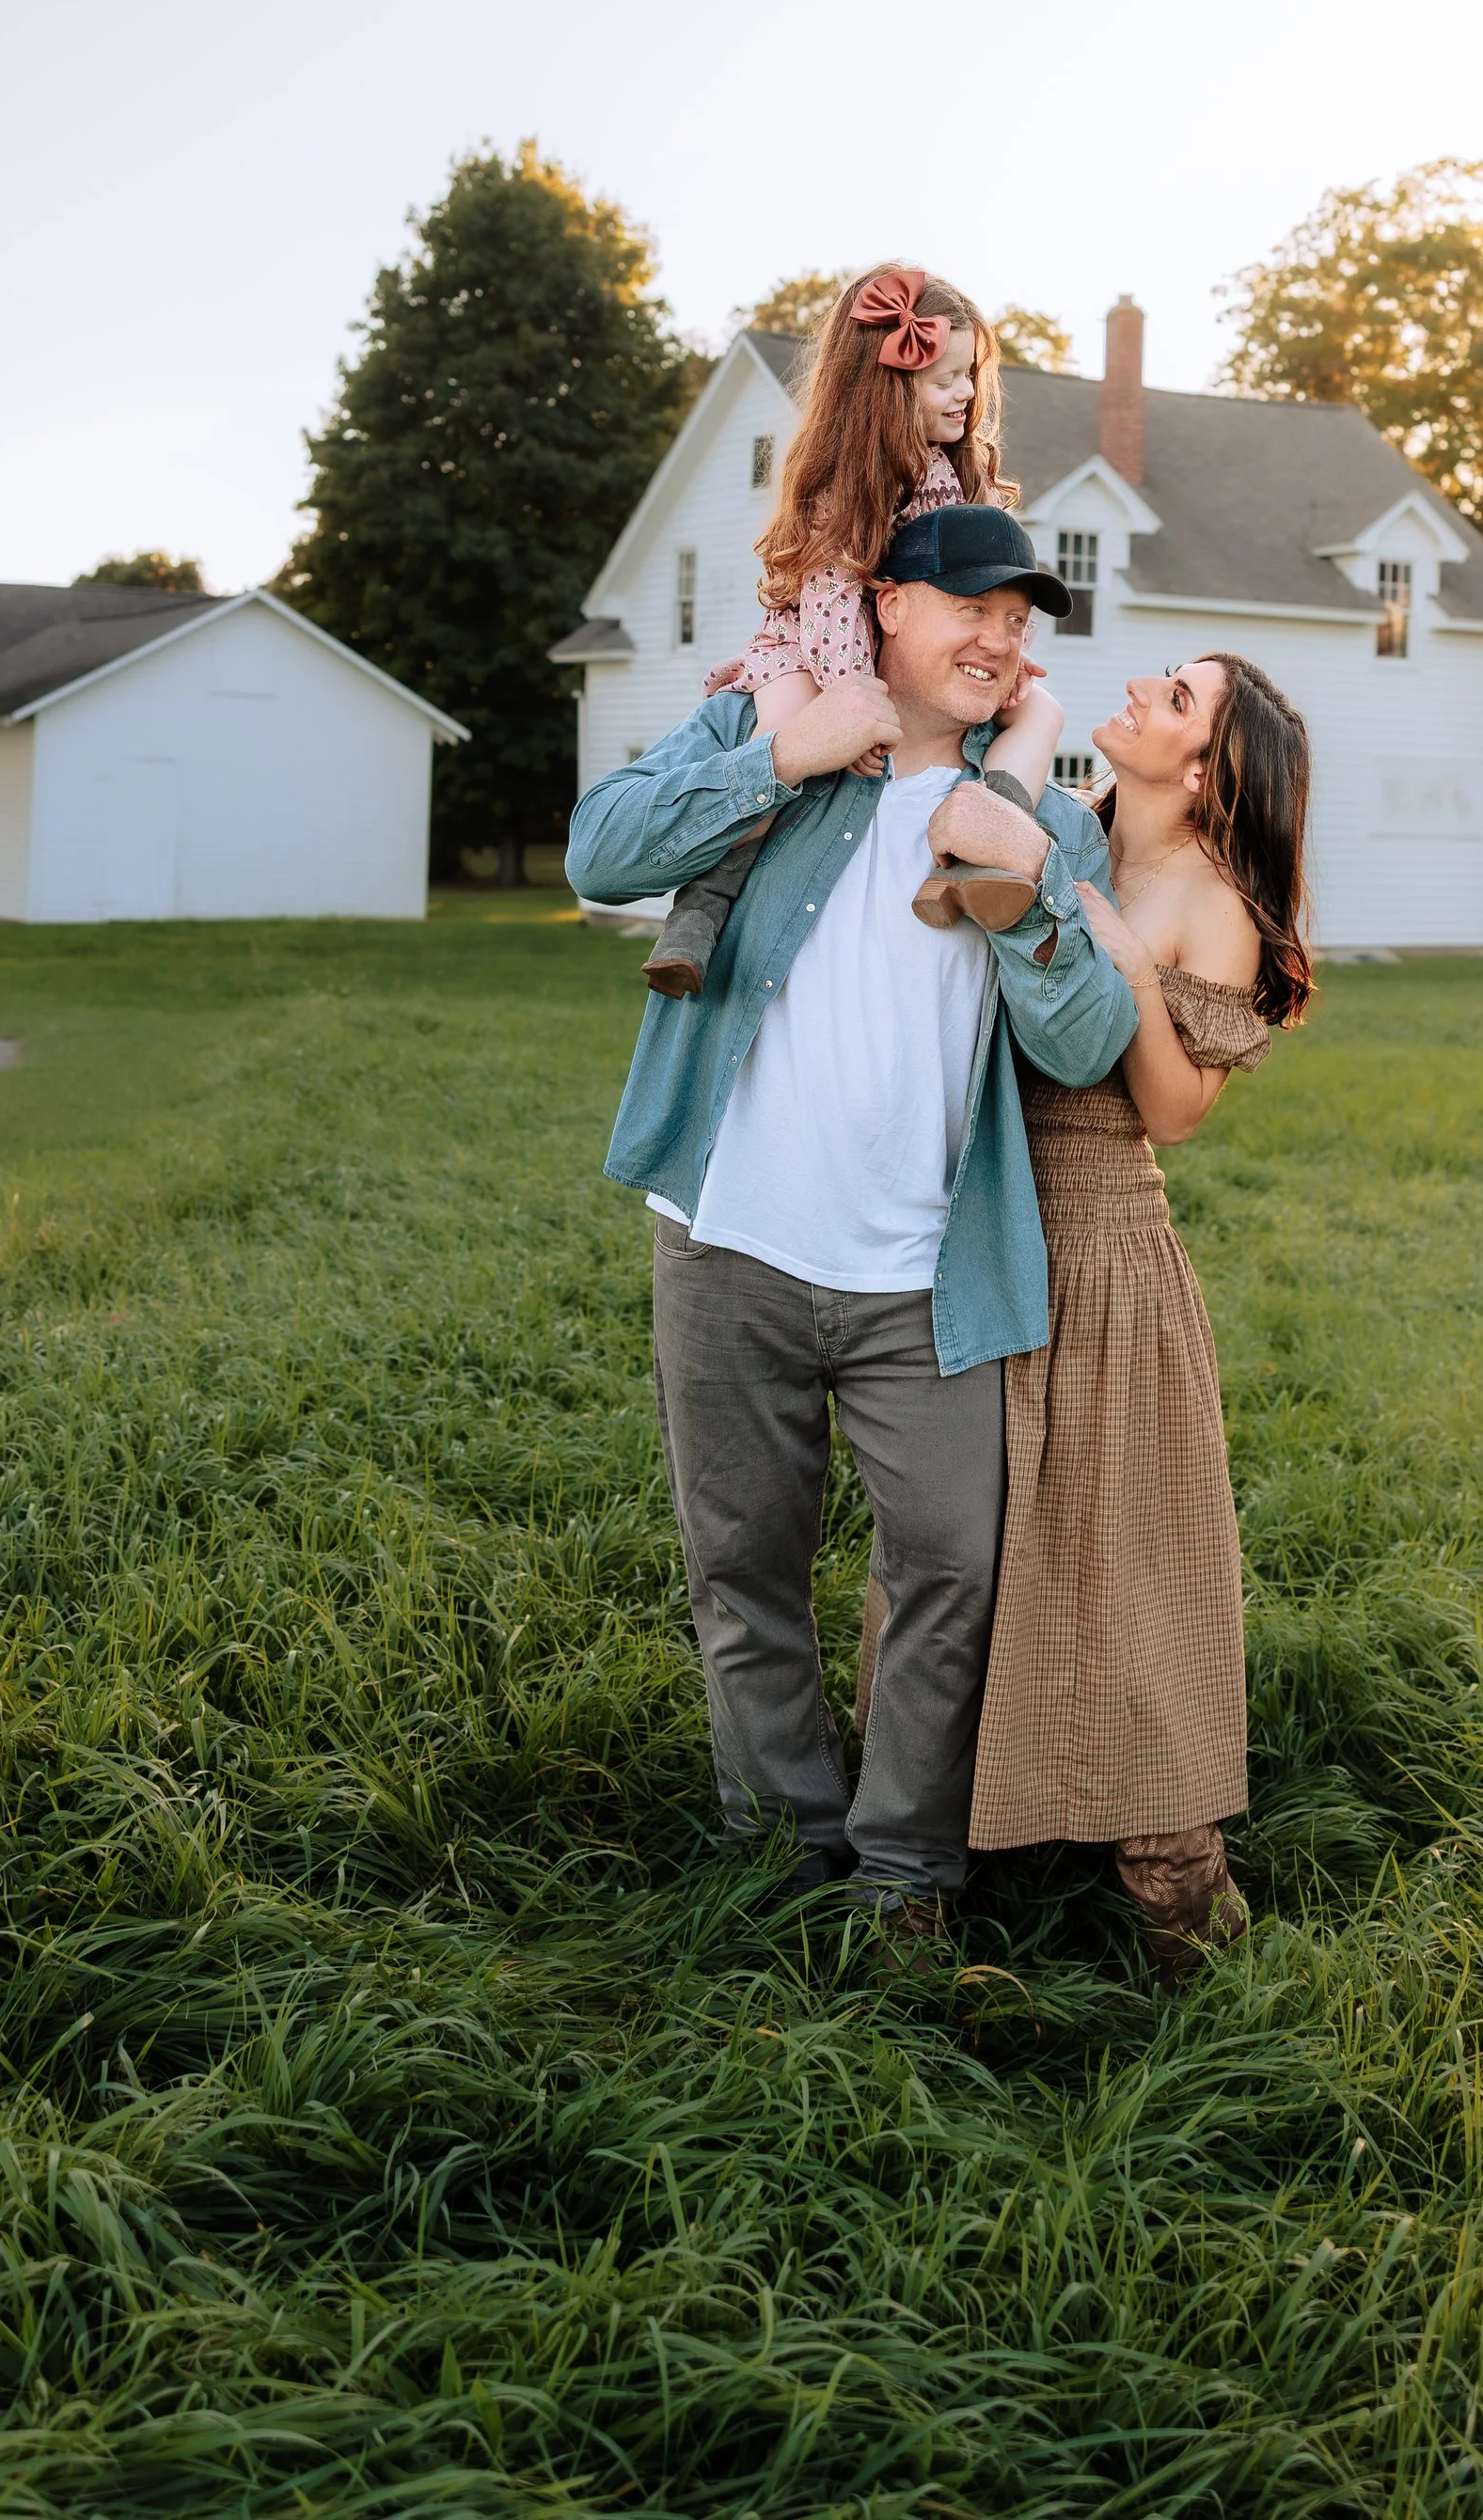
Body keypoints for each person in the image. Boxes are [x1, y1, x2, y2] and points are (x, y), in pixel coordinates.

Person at [567, 502, 1138, 1939]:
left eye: (1021, 626)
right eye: (975, 612)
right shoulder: (781, 730)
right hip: (732, 1241)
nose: (1001, 644)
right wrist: (784, 752)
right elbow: (601, 849)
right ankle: (782, 1851)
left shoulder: (1042, 814)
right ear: (886, 601)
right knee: (743, 1568)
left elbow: (1081, 1040)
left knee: (950, 1566)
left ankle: (901, 1877)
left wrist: (1007, 866)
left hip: (927, 1276)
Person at [966, 653, 1314, 1984]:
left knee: (1116, 1552)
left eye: (1176, 699)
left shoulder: (1207, 902)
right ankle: (976, 1835)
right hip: (984, 1207)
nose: (1143, 693)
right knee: (975, 1539)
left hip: (1102, 1234)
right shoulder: (1061, 822)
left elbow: (1175, 1112)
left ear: (1208, 766)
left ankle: (1173, 1876)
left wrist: (1115, 946)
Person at [639, 264, 1065, 996]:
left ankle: (974, 861)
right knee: (781, 742)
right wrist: (850, 708)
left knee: (1043, 715)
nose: (965, 394)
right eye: (945, 380)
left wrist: (1005, 653)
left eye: (970, 376)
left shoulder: (959, 478)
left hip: (902, 656)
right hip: (814, 651)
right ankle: (699, 914)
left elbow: (990, 579)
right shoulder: (847, 487)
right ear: (888, 391)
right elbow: (831, 603)